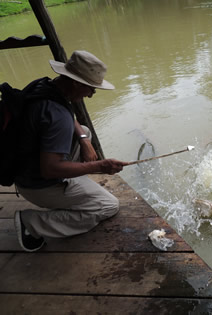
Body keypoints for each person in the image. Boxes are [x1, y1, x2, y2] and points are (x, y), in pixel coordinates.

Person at [13, 50, 128, 252]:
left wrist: (83, 140)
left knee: (84, 131)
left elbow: (66, 113)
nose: (92, 94)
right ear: (76, 83)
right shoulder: (57, 117)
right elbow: (50, 169)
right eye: (91, 88)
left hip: (22, 168)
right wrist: (100, 166)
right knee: (108, 206)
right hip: (38, 185)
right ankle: (31, 223)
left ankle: (75, 184)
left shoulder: (45, 86)